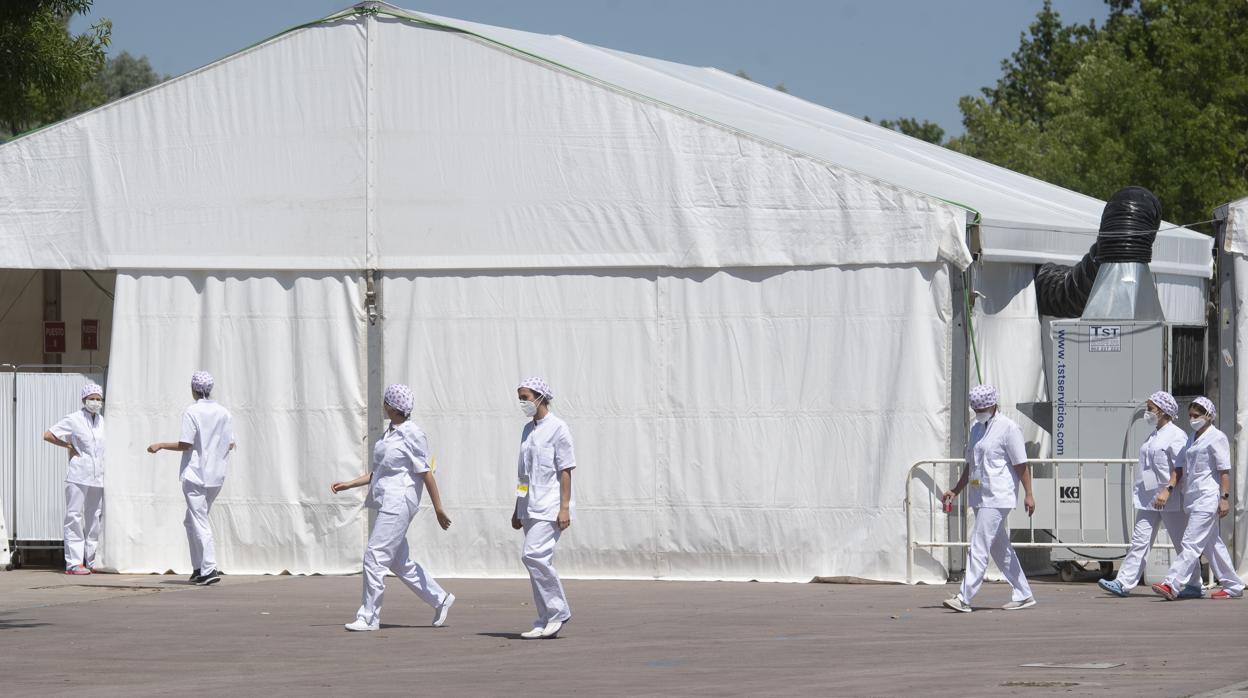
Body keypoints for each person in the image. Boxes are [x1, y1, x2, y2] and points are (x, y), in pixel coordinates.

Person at [331, 383, 454, 632]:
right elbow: (380, 472)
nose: (383, 405)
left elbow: (426, 473)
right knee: (398, 562)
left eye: (385, 402)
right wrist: (349, 484)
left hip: (399, 502)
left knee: (374, 556)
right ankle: (440, 599)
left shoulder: (412, 434)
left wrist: (438, 508)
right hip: (388, 500)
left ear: (392, 406)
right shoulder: (390, 432)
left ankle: (369, 616)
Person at [941, 384, 1036, 612]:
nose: (979, 412)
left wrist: (1029, 494)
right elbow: (970, 465)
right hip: (980, 496)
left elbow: (1021, 465)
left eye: (982, 408)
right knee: (999, 549)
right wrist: (955, 490)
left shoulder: (1009, 429)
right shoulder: (976, 429)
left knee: (979, 545)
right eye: (976, 409)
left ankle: (965, 598)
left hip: (998, 496)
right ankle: (1024, 593)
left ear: (993, 404)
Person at [1097, 391, 1200, 598]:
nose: (1147, 412)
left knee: (1182, 544)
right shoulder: (1154, 434)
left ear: (1162, 411)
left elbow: (1180, 467)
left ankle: (1194, 584)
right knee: (1139, 542)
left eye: (1150, 408)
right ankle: (1123, 583)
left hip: (1170, 499)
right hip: (1148, 499)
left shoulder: (1176, 435)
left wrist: (1168, 489)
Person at [147, 371, 235, 586]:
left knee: (200, 520)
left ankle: (209, 568)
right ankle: (198, 567)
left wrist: (160, 445)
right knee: (191, 520)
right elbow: (230, 443)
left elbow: (186, 444)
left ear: (194, 389)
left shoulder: (192, 411)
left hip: (196, 475)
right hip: (216, 476)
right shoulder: (224, 412)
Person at [1152, 397, 1244, 600]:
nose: (1192, 419)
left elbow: (1224, 471)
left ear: (1208, 416)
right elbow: (1182, 467)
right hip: (1192, 498)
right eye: (1190, 415)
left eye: (1196, 415)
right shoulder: (1191, 438)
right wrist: (1169, 487)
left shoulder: (1217, 437)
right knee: (1213, 545)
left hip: (1208, 497)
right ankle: (1234, 585)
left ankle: (1172, 584)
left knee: (1191, 542)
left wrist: (1224, 497)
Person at [512, 377, 576, 638]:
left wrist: (564, 508)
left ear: (540, 397)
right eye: (520, 398)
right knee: (538, 562)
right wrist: (517, 507)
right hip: (529, 507)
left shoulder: (559, 428)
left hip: (550, 506)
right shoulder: (528, 430)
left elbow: (565, 470)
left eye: (525, 397)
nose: (522, 403)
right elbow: (523, 475)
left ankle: (558, 611)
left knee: (533, 556)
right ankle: (544, 618)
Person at [43, 383, 106, 574]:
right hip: (78, 474)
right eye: (92, 398)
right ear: (84, 400)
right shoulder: (73, 419)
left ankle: (92, 560)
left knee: (94, 517)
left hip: (98, 476)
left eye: (98, 399)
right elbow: (48, 434)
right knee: (74, 517)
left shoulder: (103, 421)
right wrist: (68, 446)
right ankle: (73, 563)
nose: (95, 402)